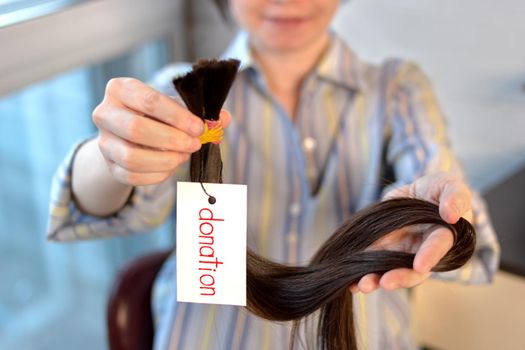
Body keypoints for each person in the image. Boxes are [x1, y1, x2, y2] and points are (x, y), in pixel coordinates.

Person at [47, 0, 499, 349]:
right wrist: (108, 158)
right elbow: (120, 208)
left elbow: (437, 173)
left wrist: (435, 213)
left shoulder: (398, 89)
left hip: (362, 334)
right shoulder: (180, 95)